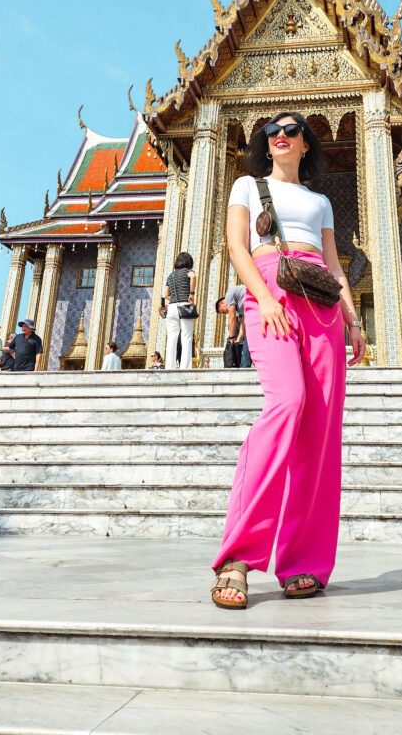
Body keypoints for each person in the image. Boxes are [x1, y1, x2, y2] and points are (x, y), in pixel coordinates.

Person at [210, 111, 364, 610]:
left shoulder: (320, 202)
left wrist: (353, 319)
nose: (280, 136)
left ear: (304, 144)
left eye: (291, 130)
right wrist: (266, 298)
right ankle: (238, 556)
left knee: (320, 431)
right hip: (270, 292)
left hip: (321, 304)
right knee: (288, 405)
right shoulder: (246, 187)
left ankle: (303, 562)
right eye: (272, 131)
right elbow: (237, 246)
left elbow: (335, 264)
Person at [164, 252, 197, 370]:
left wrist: (173, 299)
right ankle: (185, 367)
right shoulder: (188, 271)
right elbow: (193, 277)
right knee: (186, 336)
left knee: (172, 338)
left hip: (172, 308)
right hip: (185, 307)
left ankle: (169, 366)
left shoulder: (171, 276)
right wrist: (191, 294)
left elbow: (165, 294)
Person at [217, 285, 251, 368]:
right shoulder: (240, 306)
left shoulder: (229, 295)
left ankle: (244, 366)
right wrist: (238, 339)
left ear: (221, 303)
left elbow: (232, 317)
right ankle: (245, 365)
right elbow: (244, 324)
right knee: (249, 337)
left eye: (223, 312)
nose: (226, 313)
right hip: (255, 309)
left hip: (257, 306)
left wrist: (231, 338)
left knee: (249, 338)